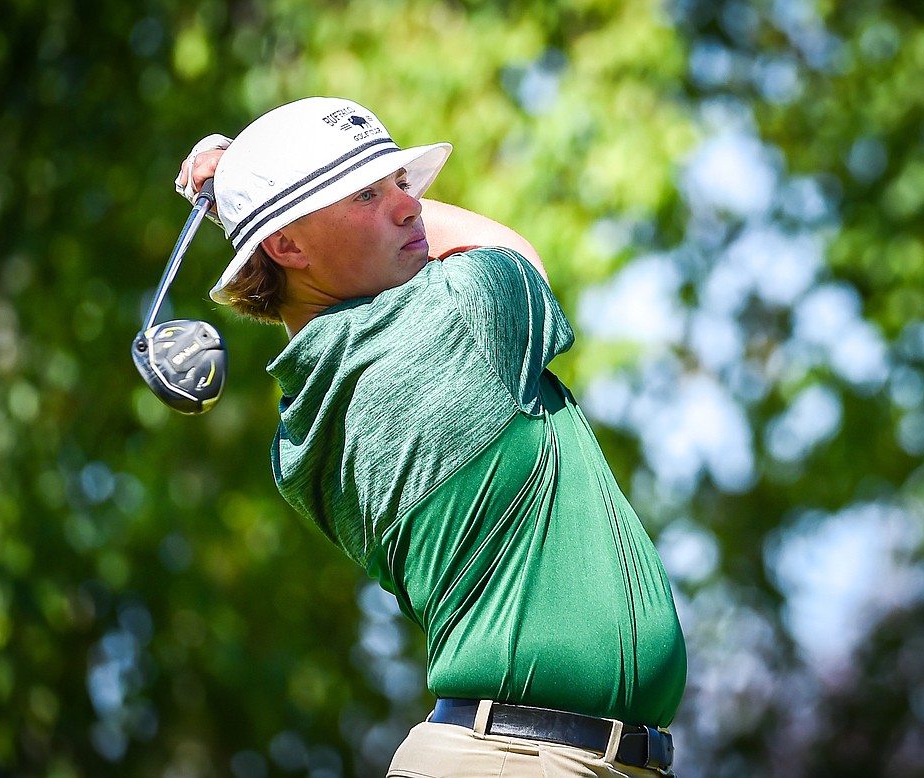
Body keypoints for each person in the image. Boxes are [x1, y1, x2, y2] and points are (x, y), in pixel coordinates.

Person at [173, 96, 686, 777]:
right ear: (288, 246)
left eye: (402, 184)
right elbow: (516, 254)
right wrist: (245, 176)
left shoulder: (301, 428)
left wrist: (254, 201)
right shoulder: (449, 322)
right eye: (365, 193)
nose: (410, 206)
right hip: (517, 761)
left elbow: (314, 289)